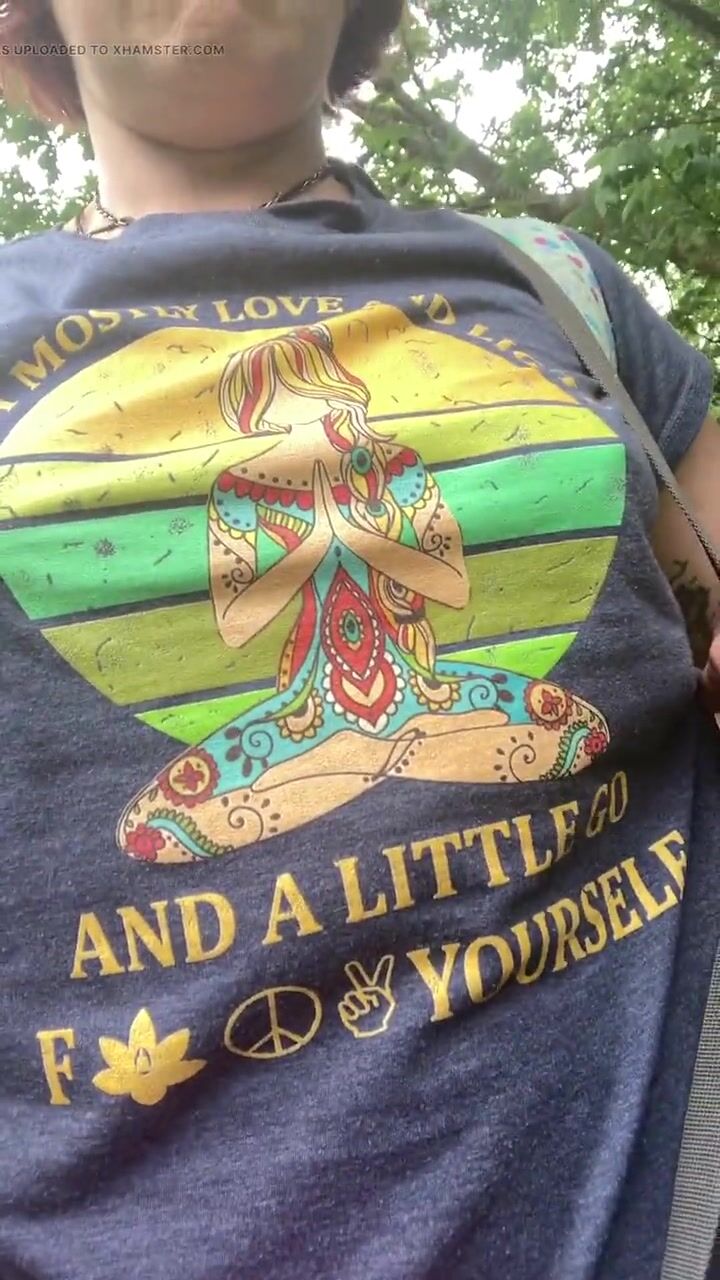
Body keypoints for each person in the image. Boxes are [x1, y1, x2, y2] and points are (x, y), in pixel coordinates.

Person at [0, 3, 718, 1277]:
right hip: (302, 710)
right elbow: (242, 621)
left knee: (544, 723)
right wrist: (291, 531)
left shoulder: (552, 286)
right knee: (176, 810)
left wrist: (367, 523)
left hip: (651, 1214)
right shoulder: (238, 484)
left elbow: (443, 580)